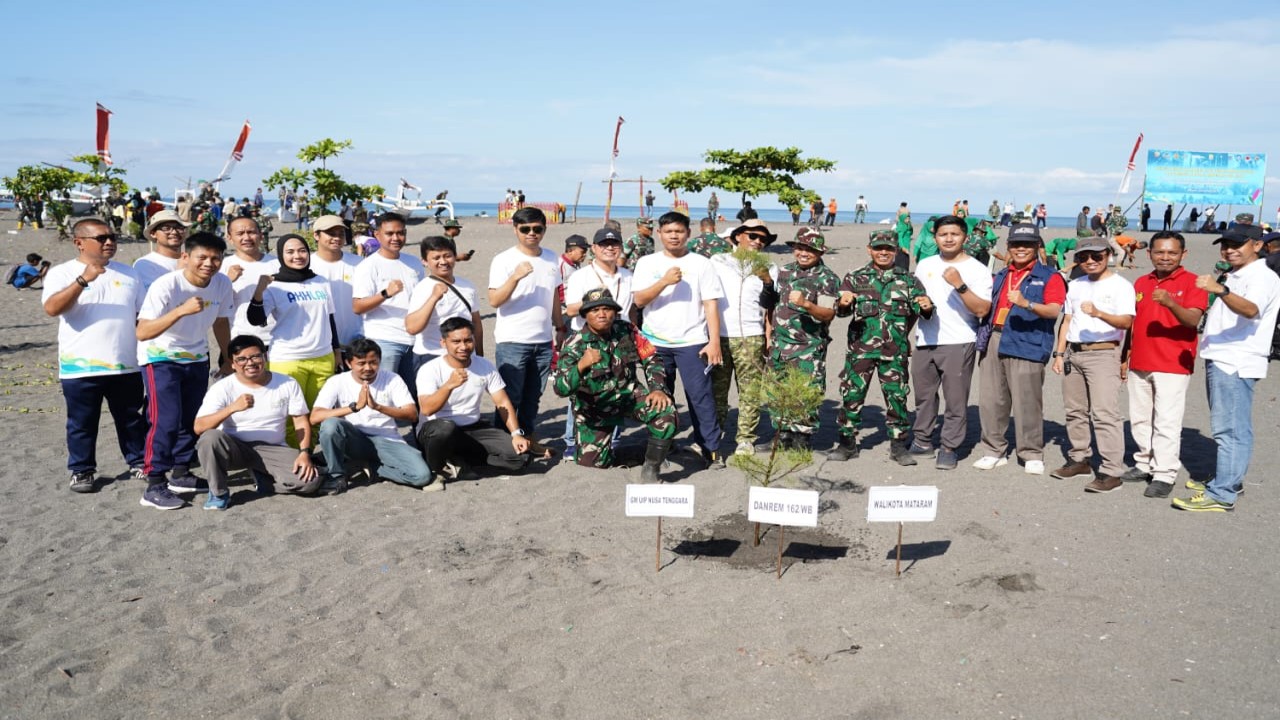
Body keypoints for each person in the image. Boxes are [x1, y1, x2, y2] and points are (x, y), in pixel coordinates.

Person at [1172, 227, 1280, 511]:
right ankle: (1229, 479)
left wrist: (1219, 289)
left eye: (1237, 245)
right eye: (1225, 245)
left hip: (1236, 360)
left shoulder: (1261, 276)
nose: (1229, 250)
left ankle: (1222, 493)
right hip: (1225, 357)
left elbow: (1251, 309)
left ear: (1257, 245)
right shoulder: (1239, 273)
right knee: (1231, 426)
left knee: (1230, 429)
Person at [42, 218, 148, 493]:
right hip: (80, 366)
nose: (109, 242)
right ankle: (82, 470)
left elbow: (142, 316)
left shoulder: (129, 274)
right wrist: (83, 280)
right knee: (82, 423)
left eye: (112, 237)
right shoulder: (62, 273)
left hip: (126, 364)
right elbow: (52, 308)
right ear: (79, 242)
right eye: (101, 238)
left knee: (131, 419)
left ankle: (139, 462)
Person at [135, 231, 235, 509]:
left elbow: (221, 322)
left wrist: (228, 356)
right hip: (160, 357)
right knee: (165, 420)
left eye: (216, 258)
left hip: (197, 356)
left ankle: (181, 473)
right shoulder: (167, 285)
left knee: (191, 419)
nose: (209, 263)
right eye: (202, 257)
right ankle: (154, 482)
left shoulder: (222, 283)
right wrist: (180, 311)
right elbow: (143, 332)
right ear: (185, 257)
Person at [633, 211, 726, 467]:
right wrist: (664, 281)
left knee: (700, 397)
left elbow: (711, 304)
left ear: (688, 233)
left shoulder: (701, 263)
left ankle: (710, 449)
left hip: (693, 341)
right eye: (668, 231)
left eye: (679, 231)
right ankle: (662, 446)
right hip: (656, 342)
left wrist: (714, 341)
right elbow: (639, 300)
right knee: (660, 396)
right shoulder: (647, 263)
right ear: (659, 233)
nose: (674, 236)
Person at [972, 224, 1067, 474]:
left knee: (1027, 401)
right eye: (1016, 244)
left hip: (1028, 340)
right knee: (992, 399)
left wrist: (1027, 304)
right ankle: (994, 450)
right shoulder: (1002, 275)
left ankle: (1031, 452)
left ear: (1037, 246)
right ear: (1008, 247)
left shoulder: (1050, 276)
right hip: (995, 337)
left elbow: (1054, 310)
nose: (1021, 249)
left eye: (1027, 244)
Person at [1120, 232, 1208, 498]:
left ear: (1183, 254)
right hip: (1140, 360)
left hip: (1173, 363)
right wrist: (1125, 356)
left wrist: (1170, 302)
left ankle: (1164, 473)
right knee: (1140, 417)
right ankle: (1144, 462)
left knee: (1167, 421)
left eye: (1172, 252)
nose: (1165, 257)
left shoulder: (1193, 282)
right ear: (1150, 254)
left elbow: (1192, 320)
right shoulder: (1141, 282)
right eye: (1159, 252)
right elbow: (1132, 323)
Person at [830, 230, 930, 464]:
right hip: (861, 350)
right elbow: (841, 311)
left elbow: (922, 310)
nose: (883, 252)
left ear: (895, 251)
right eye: (878, 248)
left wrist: (927, 307)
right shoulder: (855, 278)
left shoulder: (908, 280)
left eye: (888, 248)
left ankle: (898, 447)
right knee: (851, 395)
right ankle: (847, 444)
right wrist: (843, 304)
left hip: (894, 351)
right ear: (870, 250)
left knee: (897, 397)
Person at [553, 288, 676, 477]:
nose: (602, 314)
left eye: (607, 309)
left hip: (629, 396)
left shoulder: (627, 330)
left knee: (665, 412)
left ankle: (651, 467)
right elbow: (560, 388)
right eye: (595, 310)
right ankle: (641, 450)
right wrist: (581, 365)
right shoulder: (574, 344)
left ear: (615, 312)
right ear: (585, 315)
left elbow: (651, 357)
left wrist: (657, 388)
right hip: (595, 410)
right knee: (593, 464)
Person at [194, 335, 321, 510]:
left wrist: (304, 453)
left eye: (255, 356)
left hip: (273, 448)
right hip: (235, 449)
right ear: (233, 364)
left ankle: (264, 481)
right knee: (210, 438)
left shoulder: (287, 383)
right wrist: (231, 408)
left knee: (310, 482)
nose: (250, 363)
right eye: (242, 359)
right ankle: (218, 492)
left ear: (265, 357)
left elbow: (300, 421)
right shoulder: (222, 388)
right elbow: (199, 427)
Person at [1049, 237, 1136, 491]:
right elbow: (1067, 321)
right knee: (1074, 410)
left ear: (1108, 255)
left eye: (1096, 256)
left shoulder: (1121, 286)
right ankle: (1079, 459)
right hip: (1074, 353)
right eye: (1083, 257)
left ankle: (1111, 471)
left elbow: (1127, 322)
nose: (1090, 261)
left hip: (1104, 353)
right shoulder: (1075, 285)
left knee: (1105, 414)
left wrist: (1099, 313)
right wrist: (1059, 353)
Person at [907, 216, 993, 469]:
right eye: (943, 234)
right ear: (934, 237)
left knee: (955, 399)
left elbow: (982, 310)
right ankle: (922, 440)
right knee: (924, 396)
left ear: (965, 237)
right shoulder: (925, 264)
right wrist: (907, 335)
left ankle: (949, 446)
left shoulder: (977, 269)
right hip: (926, 339)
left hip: (959, 340)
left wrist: (959, 284)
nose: (948, 239)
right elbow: (915, 301)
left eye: (954, 234)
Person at [415, 317, 538, 480]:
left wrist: (516, 434)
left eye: (468, 340)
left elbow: (502, 401)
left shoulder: (484, 365)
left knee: (521, 458)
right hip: (437, 430)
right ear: (443, 343)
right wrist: (448, 386)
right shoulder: (430, 369)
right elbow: (427, 409)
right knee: (445, 429)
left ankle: (461, 460)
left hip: (473, 428)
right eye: (456, 341)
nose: (463, 346)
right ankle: (438, 466)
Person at [247, 234, 340, 446]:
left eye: (302, 250)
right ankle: (294, 455)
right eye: (290, 252)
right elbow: (255, 319)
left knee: (318, 411)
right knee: (290, 415)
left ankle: (311, 452)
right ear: (281, 255)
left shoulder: (321, 281)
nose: (297, 256)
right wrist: (259, 291)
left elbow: (329, 318)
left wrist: (336, 351)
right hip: (288, 358)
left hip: (322, 356)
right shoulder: (273, 284)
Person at [312, 338, 434, 495]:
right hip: (354, 439)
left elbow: (412, 414)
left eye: (373, 362)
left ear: (379, 361)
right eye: (361, 363)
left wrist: (378, 407)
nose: (368, 368)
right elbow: (315, 417)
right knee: (331, 425)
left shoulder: (392, 379)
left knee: (422, 476)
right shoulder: (337, 381)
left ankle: (375, 468)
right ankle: (337, 476)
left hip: (386, 439)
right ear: (349, 363)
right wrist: (353, 408)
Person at [487, 207, 563, 443]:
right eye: (525, 229)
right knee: (510, 396)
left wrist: (560, 327)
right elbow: (494, 300)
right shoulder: (504, 260)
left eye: (537, 229)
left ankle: (528, 437)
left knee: (533, 396)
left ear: (544, 229)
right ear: (515, 229)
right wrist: (515, 277)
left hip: (543, 340)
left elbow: (554, 295)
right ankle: (503, 442)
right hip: (512, 340)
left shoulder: (552, 258)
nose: (532, 233)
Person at [562, 227, 635, 457]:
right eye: (604, 244)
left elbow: (632, 310)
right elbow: (570, 310)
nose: (609, 248)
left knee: (620, 387)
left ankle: (614, 440)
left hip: (620, 338)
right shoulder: (581, 276)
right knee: (583, 390)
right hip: (589, 339)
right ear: (594, 248)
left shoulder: (628, 275)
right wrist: (599, 302)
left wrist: (634, 332)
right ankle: (572, 441)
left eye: (614, 244)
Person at [710, 220, 778, 455]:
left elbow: (770, 305)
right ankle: (714, 434)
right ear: (738, 236)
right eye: (753, 236)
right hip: (719, 335)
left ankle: (745, 439)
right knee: (717, 390)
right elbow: (707, 297)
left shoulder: (769, 265)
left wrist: (767, 281)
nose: (758, 241)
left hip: (751, 335)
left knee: (750, 391)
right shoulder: (718, 261)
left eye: (763, 239)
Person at [771, 227, 841, 452]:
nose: (803, 253)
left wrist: (806, 304)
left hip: (807, 346)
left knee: (806, 392)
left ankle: (802, 438)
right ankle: (782, 435)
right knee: (778, 391)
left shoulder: (827, 278)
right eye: (800, 247)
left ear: (820, 252)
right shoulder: (784, 272)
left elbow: (828, 314)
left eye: (810, 249)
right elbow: (773, 304)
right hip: (779, 345)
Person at [352, 212, 426, 393]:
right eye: (390, 233)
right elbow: (358, 306)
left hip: (415, 339)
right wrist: (385, 294)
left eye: (400, 233)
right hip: (384, 340)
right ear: (377, 235)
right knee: (383, 392)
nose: (396, 238)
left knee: (413, 394)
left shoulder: (414, 263)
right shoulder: (368, 266)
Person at [406, 234, 483, 369]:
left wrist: (479, 356)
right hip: (432, 355)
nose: (443, 261)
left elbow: (475, 323)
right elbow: (412, 328)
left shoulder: (467, 286)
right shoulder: (423, 288)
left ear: (455, 257)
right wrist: (434, 297)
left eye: (447, 256)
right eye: (436, 258)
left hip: (465, 354)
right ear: (425, 261)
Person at [220, 216, 279, 346]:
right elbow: (213, 305)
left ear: (261, 236)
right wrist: (227, 281)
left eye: (251, 232)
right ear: (229, 238)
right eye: (240, 233)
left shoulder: (277, 264)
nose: (246, 237)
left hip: (277, 339)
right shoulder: (223, 266)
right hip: (240, 339)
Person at [309, 215, 363, 345]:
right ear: (316, 235)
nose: (337, 238)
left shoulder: (359, 263)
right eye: (331, 234)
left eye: (341, 234)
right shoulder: (307, 265)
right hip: (319, 343)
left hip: (355, 340)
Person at [134, 210, 189, 290]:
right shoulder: (146, 264)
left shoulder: (192, 260)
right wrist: (179, 274)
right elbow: (154, 295)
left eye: (179, 228)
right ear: (153, 233)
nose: (174, 232)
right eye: (166, 228)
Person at [894, 202, 913, 271]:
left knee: (904, 261)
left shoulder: (899, 210)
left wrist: (898, 222)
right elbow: (900, 237)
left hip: (902, 222)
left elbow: (897, 218)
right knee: (903, 261)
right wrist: (902, 247)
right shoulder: (908, 210)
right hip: (903, 247)